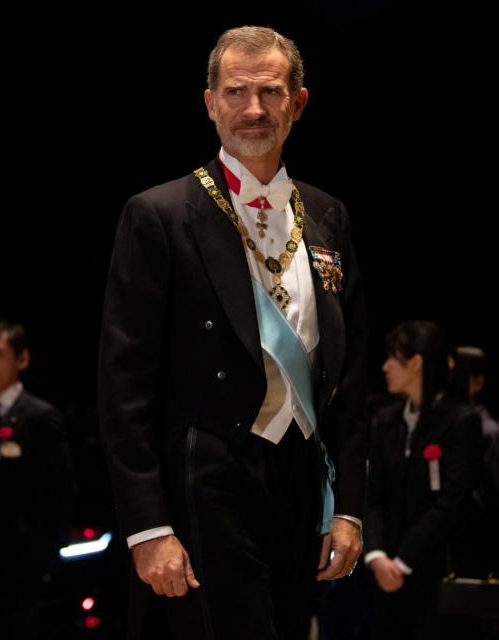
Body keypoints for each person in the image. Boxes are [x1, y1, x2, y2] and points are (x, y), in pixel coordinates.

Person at [98, 26, 367, 639]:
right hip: (206, 477)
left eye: (270, 92)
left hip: (302, 480)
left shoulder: (328, 215)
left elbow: (350, 379)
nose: (253, 109)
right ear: (210, 102)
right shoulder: (160, 215)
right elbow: (123, 386)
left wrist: (349, 506)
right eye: (236, 92)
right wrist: (148, 527)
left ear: (297, 103)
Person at [364, 321, 482, 639]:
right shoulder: (387, 419)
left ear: (416, 363)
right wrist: (375, 556)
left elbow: (452, 501)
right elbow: (373, 494)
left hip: (432, 571)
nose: (385, 366)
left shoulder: (461, 420)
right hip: (382, 572)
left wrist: (402, 562)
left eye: (393, 357)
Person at [0, 321, 77, 639]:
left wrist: (52, 550)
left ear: (21, 360)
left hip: (29, 555)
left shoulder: (41, 416)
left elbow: (63, 488)